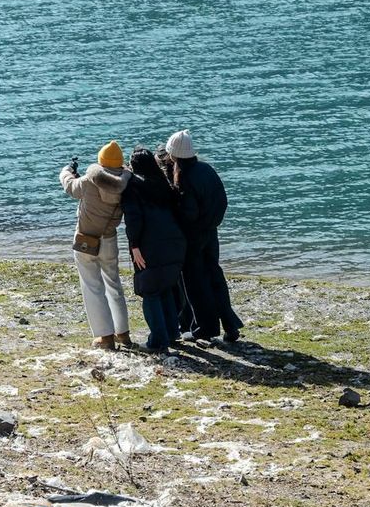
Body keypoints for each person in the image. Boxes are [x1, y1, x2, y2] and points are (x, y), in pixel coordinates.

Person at [166, 129, 242, 343]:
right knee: (215, 277)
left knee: (195, 283)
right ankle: (230, 325)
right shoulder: (206, 169)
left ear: (174, 155)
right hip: (211, 233)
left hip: (194, 237)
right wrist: (211, 223)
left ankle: (204, 328)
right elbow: (222, 201)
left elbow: (189, 213)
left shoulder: (184, 177)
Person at [60, 140, 133, 350]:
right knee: (114, 284)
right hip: (109, 238)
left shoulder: (90, 180)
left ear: (101, 162)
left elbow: (70, 187)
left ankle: (105, 336)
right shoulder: (126, 182)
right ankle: (123, 333)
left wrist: (66, 171)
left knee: (92, 286)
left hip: (86, 239)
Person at [121, 148, 187, 353]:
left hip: (150, 245)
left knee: (150, 291)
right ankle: (172, 333)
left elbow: (134, 219)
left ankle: (158, 340)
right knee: (165, 288)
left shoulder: (133, 187)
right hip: (176, 243)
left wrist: (134, 246)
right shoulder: (163, 183)